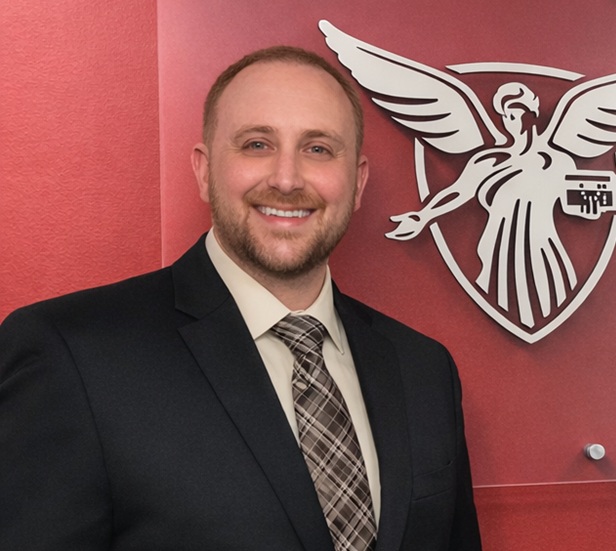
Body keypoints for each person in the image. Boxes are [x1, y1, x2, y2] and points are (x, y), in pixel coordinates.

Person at [0, 46, 482, 551]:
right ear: (205, 171)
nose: (287, 178)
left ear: (358, 182)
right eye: (256, 144)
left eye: (318, 149)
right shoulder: (71, 356)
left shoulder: (423, 370)